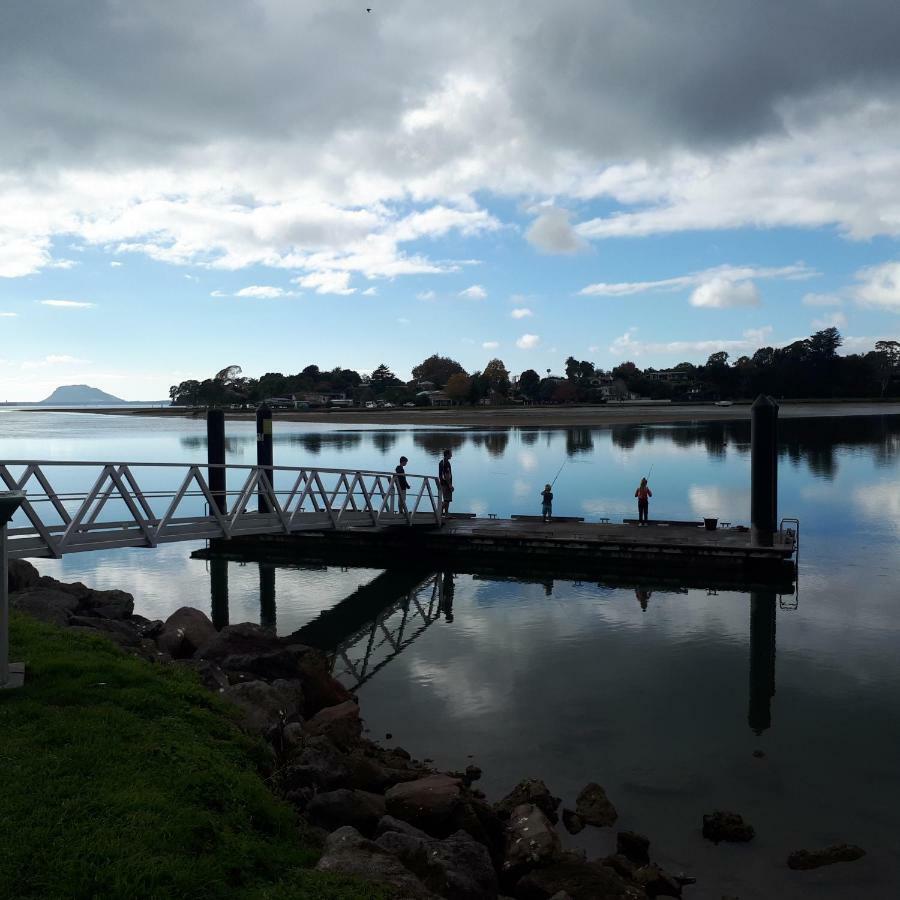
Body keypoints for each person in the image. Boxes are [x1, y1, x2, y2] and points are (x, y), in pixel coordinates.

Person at [438, 448, 453, 515]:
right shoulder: (446, 463)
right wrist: (450, 485)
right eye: (450, 454)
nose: (451, 455)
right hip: (446, 484)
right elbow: (446, 475)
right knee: (447, 500)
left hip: (442, 483)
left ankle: (446, 514)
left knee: (447, 500)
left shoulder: (441, 462)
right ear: (447, 454)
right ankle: (439, 510)